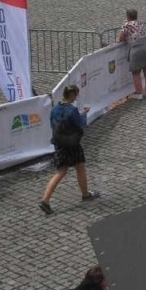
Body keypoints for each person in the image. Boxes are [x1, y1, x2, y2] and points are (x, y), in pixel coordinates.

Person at [40, 85, 97, 213]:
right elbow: (81, 124)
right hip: (72, 144)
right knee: (80, 167)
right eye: (76, 95)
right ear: (71, 95)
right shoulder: (72, 110)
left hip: (59, 144)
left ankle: (45, 199)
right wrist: (84, 113)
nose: (76, 98)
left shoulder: (54, 109)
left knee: (60, 172)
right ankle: (85, 194)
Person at [118, 10, 146, 100]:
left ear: (128, 16)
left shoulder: (126, 25)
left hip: (138, 48)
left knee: (136, 72)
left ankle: (139, 93)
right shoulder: (141, 23)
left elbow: (121, 38)